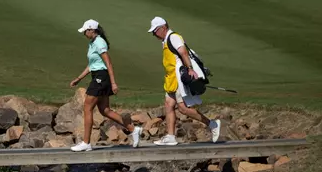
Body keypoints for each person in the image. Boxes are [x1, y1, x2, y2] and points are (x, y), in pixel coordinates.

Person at [70, 19, 142, 152]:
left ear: (92, 30)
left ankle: (86, 143)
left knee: (87, 107)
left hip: (101, 77)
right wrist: (78, 78)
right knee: (105, 110)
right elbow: (92, 65)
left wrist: (113, 83)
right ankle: (133, 129)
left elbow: (108, 63)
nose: (84, 33)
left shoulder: (99, 42)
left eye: (85, 31)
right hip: (97, 76)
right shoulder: (92, 43)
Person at [147, 16, 221, 145]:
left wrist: (190, 69)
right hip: (170, 79)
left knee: (183, 108)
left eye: (155, 31)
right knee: (168, 105)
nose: (154, 34)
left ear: (163, 28)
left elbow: (184, 53)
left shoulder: (173, 37)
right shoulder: (165, 40)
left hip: (177, 79)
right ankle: (170, 137)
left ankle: (212, 124)